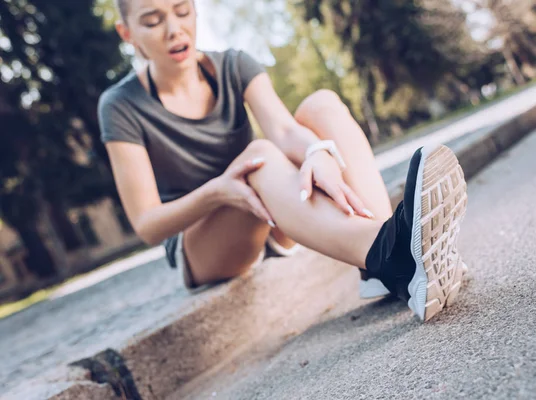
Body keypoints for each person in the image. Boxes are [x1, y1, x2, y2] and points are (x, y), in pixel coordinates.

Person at [99, 0, 468, 322]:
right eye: (152, 21)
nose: (174, 30)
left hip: (275, 213)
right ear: (126, 32)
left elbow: (284, 130)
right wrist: (219, 191)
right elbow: (147, 225)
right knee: (258, 156)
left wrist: (317, 152)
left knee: (320, 104)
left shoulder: (233, 65)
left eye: (182, 11)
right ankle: (396, 257)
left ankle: (382, 261)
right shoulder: (120, 105)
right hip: (208, 243)